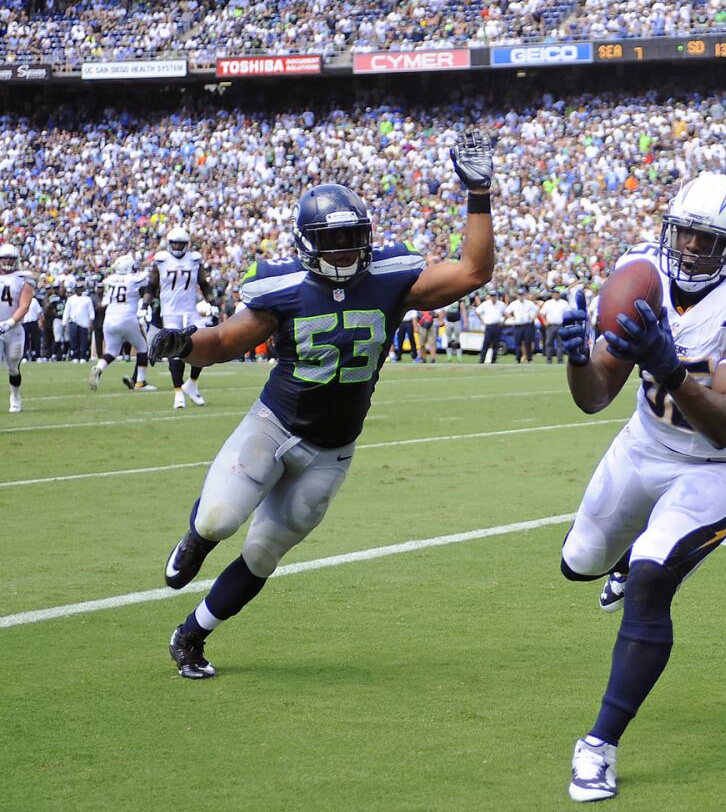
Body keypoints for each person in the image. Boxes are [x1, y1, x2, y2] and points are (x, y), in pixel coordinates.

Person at [152, 133, 496, 681]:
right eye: (330, 242)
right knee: (220, 518)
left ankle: (192, 633)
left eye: (351, 240)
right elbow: (223, 343)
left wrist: (477, 193)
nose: (343, 252)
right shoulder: (282, 287)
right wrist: (182, 344)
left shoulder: (390, 276)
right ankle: (197, 539)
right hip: (274, 424)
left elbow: (474, 272)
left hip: (332, 449)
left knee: (264, 555)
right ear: (306, 243)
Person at [554, 173, 726, 802]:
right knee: (578, 563)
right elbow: (595, 399)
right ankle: (626, 557)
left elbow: (725, 423)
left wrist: (666, 363)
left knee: (654, 579)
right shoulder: (642, 274)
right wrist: (580, 359)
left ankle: (599, 744)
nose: (688, 249)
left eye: (705, 239)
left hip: (714, 468)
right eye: (682, 233)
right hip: (640, 447)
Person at [151, 227, 213, 409]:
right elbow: (151, 285)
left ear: (187, 244)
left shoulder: (194, 260)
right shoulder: (161, 260)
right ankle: (178, 392)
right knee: (174, 350)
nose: (178, 246)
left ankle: (192, 384)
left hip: (190, 311)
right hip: (170, 312)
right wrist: (145, 305)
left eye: (181, 243)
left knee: (204, 344)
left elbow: (203, 283)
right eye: (175, 243)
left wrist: (211, 302)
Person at [90, 254, 157, 391]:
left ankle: (99, 368)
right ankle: (140, 383)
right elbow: (148, 279)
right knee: (143, 348)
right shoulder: (133, 279)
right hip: (127, 316)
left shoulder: (110, 279)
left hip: (109, 318)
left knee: (111, 351)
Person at [0, 244, 35, 413]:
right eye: (4, 258)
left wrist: (10, 322)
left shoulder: (22, 279)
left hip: (13, 329)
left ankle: (15, 396)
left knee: (13, 367)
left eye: (10, 258)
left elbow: (24, 305)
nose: (7, 261)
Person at [63, 281, 95, 363]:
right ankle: (75, 357)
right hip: (73, 321)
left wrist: (91, 322)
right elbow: (66, 311)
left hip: (84, 323)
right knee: (74, 340)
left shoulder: (87, 299)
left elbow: (91, 312)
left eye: (81, 289)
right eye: (78, 289)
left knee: (83, 340)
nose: (79, 290)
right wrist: (64, 323)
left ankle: (83, 357)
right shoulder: (71, 299)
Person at [506, 288, 539, 363]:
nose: (521, 296)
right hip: (517, 325)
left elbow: (537, 309)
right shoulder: (514, 303)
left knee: (528, 342)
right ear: (517, 295)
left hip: (527, 325)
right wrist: (511, 317)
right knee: (517, 343)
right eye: (519, 295)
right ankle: (517, 359)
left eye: (522, 295)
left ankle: (529, 359)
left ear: (524, 295)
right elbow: (506, 311)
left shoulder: (529, 303)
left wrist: (533, 317)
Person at [540, 288, 569, 363]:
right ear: (552, 294)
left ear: (559, 294)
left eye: (557, 293)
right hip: (550, 325)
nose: (556, 294)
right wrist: (545, 322)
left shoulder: (564, 303)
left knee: (560, 343)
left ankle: (560, 360)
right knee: (549, 343)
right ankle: (549, 359)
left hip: (560, 325)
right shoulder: (548, 303)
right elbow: (542, 314)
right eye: (554, 293)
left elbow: (568, 314)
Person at [477, 290, 506, 363]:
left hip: (497, 325)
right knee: (486, 343)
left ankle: (494, 359)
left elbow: (506, 313)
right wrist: (482, 320)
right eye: (492, 296)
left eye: (494, 296)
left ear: (497, 296)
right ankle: (482, 359)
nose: (493, 297)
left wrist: (503, 321)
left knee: (496, 343)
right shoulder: (485, 304)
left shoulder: (501, 304)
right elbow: (477, 312)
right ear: (490, 296)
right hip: (489, 325)